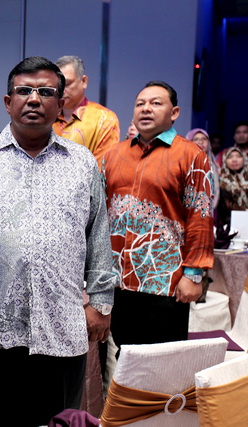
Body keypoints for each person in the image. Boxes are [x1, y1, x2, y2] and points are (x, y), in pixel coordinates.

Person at [0, 56, 115, 426]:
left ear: (61, 103)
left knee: (59, 421)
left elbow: (98, 233)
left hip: (61, 326)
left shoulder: (82, 162)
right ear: (8, 102)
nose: (34, 99)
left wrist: (101, 302)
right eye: (24, 91)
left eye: (46, 92)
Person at [102, 81, 214, 350]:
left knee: (163, 362)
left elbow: (200, 217)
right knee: (125, 357)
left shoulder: (191, 155)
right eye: (140, 104)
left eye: (155, 103)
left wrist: (193, 274)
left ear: (174, 113)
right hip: (118, 279)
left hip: (166, 281)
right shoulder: (113, 155)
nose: (146, 109)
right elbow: (99, 213)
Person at [53, 55, 120, 162]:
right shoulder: (47, 117)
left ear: (83, 81)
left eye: (67, 84)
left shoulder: (104, 118)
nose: (61, 91)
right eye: (58, 86)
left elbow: (103, 165)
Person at [186, 128, 220, 209]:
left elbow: (216, 190)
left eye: (204, 139)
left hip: (209, 210)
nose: (201, 142)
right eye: (196, 139)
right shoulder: (183, 164)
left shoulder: (214, 166)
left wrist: (209, 209)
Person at [216, 147, 248, 228]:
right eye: (230, 157)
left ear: (244, 158)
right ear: (225, 160)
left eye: (238, 156)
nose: (234, 160)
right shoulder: (220, 181)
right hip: (228, 224)